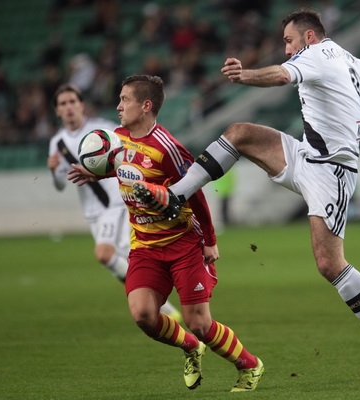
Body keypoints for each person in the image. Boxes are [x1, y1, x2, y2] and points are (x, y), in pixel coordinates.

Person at [131, 8, 360, 387]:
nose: (287, 50)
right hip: (307, 155)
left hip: (332, 173)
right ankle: (175, 195)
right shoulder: (352, 61)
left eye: (288, 41)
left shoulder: (315, 55)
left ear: (309, 37)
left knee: (329, 264)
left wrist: (243, 75)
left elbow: (281, 75)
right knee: (239, 133)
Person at [68, 75, 263, 392]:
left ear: (145, 106)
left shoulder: (167, 149)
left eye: (125, 99)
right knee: (143, 315)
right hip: (145, 246)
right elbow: (119, 169)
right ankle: (190, 348)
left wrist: (210, 241)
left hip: (183, 245)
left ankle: (250, 366)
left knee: (199, 323)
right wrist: (93, 173)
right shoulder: (116, 140)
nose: (118, 106)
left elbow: (196, 194)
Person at [47, 83, 181, 321]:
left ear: (81, 106)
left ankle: (164, 308)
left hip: (116, 203)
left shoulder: (104, 130)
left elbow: (131, 150)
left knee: (105, 254)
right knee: (127, 260)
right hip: (93, 213)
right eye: (62, 104)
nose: (68, 107)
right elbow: (59, 185)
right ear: (57, 111)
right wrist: (54, 171)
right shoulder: (57, 143)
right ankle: (154, 303)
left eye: (72, 102)